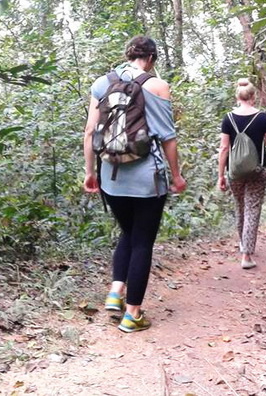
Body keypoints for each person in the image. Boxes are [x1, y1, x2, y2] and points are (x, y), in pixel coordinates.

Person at [83, 35, 186, 333]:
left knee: (127, 232)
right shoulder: (157, 86)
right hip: (147, 179)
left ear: (127, 55)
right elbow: (167, 137)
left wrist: (90, 172)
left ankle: (116, 292)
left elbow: (90, 131)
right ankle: (133, 315)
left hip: (110, 176)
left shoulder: (102, 83)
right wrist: (176, 176)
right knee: (142, 241)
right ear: (151, 58)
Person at [218, 79, 266, 269]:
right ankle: (247, 255)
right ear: (253, 97)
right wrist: (263, 160)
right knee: (253, 208)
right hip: (257, 170)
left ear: (237, 96)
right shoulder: (263, 118)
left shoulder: (228, 118)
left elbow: (224, 148)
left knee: (240, 206)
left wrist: (221, 175)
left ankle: (243, 243)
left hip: (234, 171)